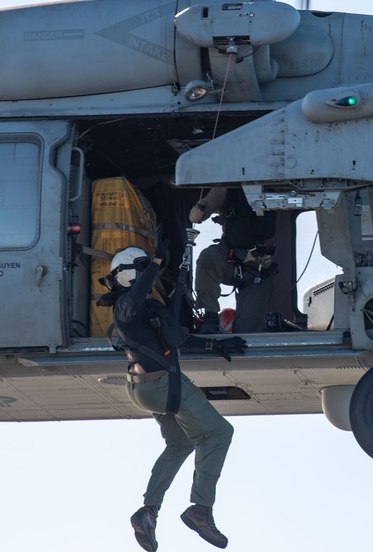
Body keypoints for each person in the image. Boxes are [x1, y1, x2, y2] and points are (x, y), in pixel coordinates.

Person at [99, 245, 247, 551]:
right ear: (131, 274)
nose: (147, 278)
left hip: (144, 388)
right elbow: (132, 302)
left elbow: (176, 340)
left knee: (181, 443)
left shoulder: (145, 310)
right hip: (161, 386)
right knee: (219, 433)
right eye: (142, 271)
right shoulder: (127, 307)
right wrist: (155, 262)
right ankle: (200, 510)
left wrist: (214, 345)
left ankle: (148, 511)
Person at [189, 187, 277, 333]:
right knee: (208, 257)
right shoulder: (229, 187)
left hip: (258, 270)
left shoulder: (274, 186)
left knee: (248, 333)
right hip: (229, 258)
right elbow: (212, 200)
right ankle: (209, 316)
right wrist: (201, 209)